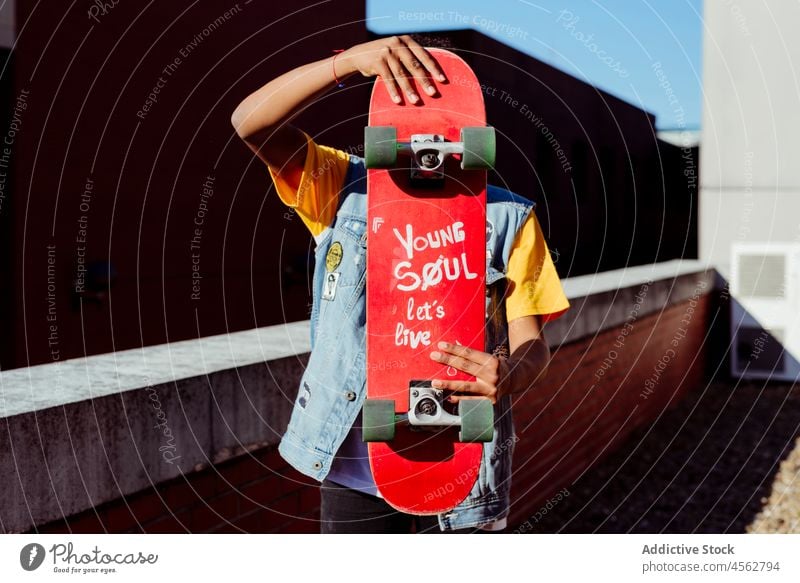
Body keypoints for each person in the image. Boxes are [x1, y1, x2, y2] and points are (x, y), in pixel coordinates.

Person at [231, 35, 570, 533]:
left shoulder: (509, 218)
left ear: (467, 131)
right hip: (353, 469)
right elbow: (249, 123)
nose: (426, 146)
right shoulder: (342, 188)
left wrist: (509, 372)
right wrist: (344, 64)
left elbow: (533, 346)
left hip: (462, 471)